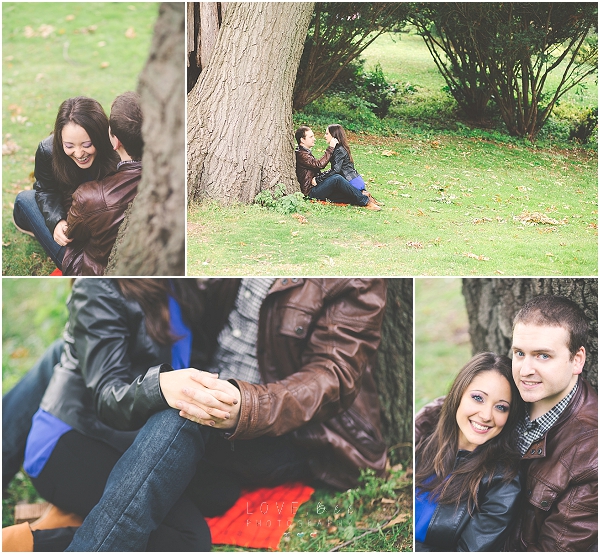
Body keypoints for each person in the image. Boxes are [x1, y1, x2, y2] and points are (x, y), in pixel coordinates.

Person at [2, 278, 388, 552]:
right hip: (77, 438)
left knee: (215, 495)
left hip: (132, 433)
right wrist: (163, 387)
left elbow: (329, 372)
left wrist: (242, 404)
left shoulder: (186, 285)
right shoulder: (102, 288)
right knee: (189, 534)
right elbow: (109, 392)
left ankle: (51, 529)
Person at [506, 295, 597, 551]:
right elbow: (447, 409)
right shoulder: (508, 388)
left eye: (543, 356)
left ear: (577, 359)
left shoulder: (591, 456)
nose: (524, 370)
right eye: (519, 353)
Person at [414, 352, 523, 552]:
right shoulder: (423, 437)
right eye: (478, 398)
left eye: (501, 407)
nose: (486, 415)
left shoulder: (503, 482)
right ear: (458, 395)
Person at [12, 97, 119, 270]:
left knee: (24, 199)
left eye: (87, 144)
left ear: (99, 136)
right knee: (25, 198)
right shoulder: (47, 150)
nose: (79, 153)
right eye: (69, 145)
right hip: (73, 223)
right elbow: (45, 189)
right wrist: (57, 221)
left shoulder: (115, 149)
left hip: (91, 249)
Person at [62, 91, 143, 275]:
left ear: (116, 141)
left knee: (25, 201)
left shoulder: (91, 196)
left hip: (94, 268)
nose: (79, 152)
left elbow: (73, 234)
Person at [295, 125, 380, 210]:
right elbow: (319, 165)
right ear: (302, 140)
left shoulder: (305, 152)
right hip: (310, 191)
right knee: (337, 178)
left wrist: (319, 179)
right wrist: (331, 148)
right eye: (311, 137)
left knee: (344, 193)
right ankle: (366, 201)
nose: (314, 139)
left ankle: (363, 195)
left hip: (316, 186)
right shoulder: (301, 154)